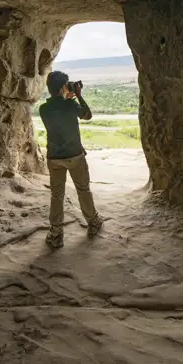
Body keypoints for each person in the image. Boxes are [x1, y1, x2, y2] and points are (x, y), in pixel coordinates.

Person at [38, 70, 103, 248]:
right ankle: (93, 222)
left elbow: (58, 113)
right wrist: (78, 96)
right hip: (74, 155)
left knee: (57, 195)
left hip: (54, 158)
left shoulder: (43, 109)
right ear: (63, 87)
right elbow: (87, 115)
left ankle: (56, 232)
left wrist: (67, 97)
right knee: (83, 189)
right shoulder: (71, 105)